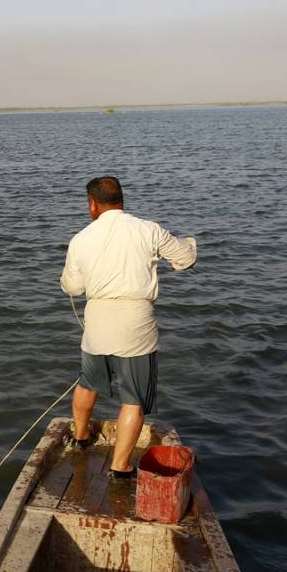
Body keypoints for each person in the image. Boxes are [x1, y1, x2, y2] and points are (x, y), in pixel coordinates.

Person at [60, 176, 196, 481]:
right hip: (136, 325)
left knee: (87, 383)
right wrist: (187, 246)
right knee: (133, 398)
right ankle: (120, 467)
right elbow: (186, 259)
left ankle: (81, 438)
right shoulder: (148, 229)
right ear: (122, 200)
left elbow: (72, 286)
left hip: (97, 323)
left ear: (92, 204)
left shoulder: (81, 238)